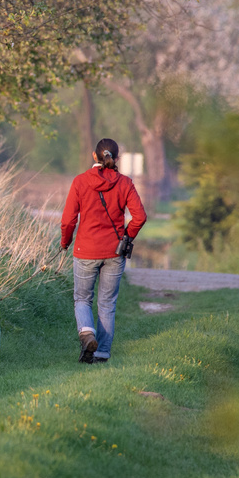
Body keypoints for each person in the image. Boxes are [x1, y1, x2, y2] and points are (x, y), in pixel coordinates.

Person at [60, 138, 147, 364]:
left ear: (93, 156)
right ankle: (102, 353)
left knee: (82, 299)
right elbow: (140, 217)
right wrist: (127, 236)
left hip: (86, 250)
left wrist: (65, 242)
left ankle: (87, 334)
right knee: (107, 303)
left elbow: (69, 220)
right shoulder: (125, 183)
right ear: (116, 159)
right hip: (114, 252)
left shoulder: (80, 182)